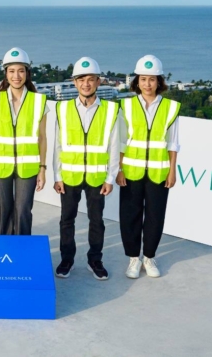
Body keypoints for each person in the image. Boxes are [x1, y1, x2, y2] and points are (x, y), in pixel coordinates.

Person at [53, 57, 121, 280]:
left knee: (96, 221)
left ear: (98, 82)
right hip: (69, 175)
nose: (86, 84)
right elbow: (58, 145)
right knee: (67, 220)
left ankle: (95, 260)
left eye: (91, 79)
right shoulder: (63, 109)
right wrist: (57, 175)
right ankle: (67, 259)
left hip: (97, 176)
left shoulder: (110, 110)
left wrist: (110, 177)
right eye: (81, 79)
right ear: (74, 82)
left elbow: (113, 145)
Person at [117, 55, 181, 279]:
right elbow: (121, 141)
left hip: (159, 172)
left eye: (152, 79)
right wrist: (120, 169)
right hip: (131, 171)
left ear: (159, 82)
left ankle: (149, 257)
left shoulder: (170, 108)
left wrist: (172, 170)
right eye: (143, 79)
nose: (147, 84)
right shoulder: (126, 105)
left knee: (155, 216)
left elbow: (173, 143)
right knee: (130, 216)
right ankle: (134, 258)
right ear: (137, 81)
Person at [0, 47, 48, 235]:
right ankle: (6, 247)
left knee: (23, 211)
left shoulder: (38, 101)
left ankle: (22, 248)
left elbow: (42, 138)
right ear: (5, 73)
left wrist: (42, 169)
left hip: (28, 167)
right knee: (4, 211)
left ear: (27, 73)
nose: (16, 76)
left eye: (21, 71)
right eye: (11, 71)